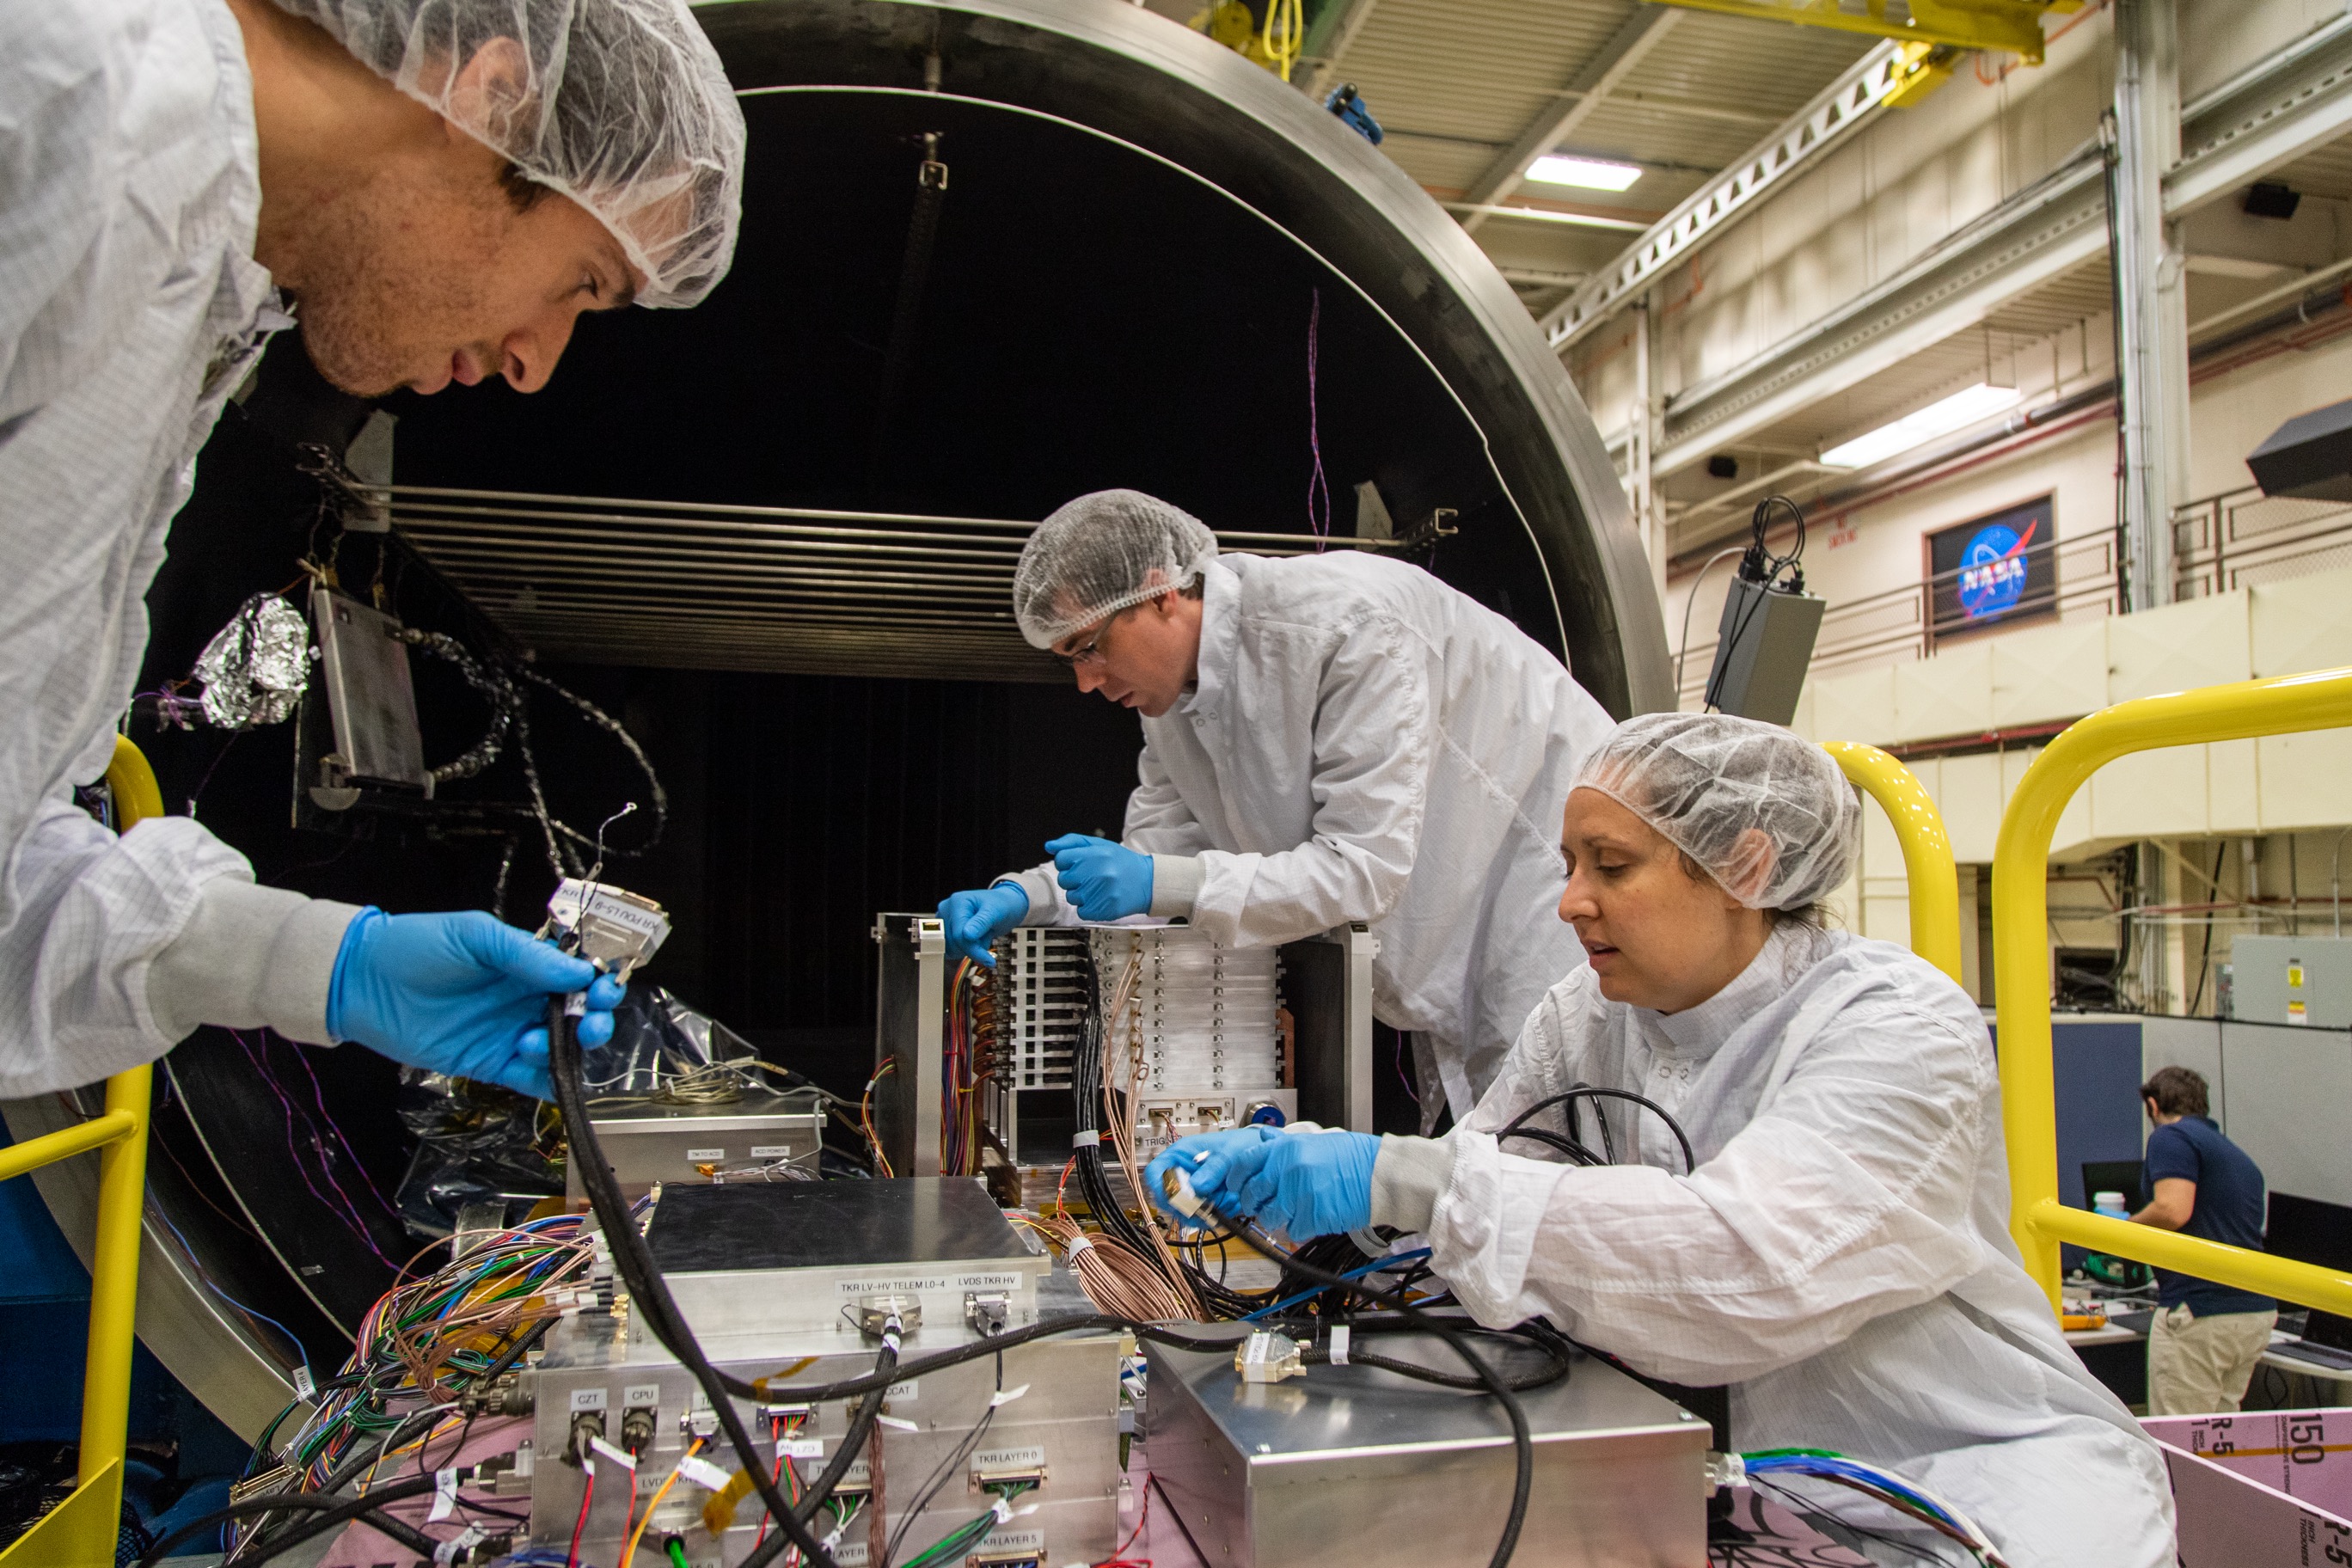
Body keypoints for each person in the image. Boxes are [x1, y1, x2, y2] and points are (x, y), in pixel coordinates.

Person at [1145, 714, 2176, 1566]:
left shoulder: (1895, 1026)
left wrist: (1403, 1181)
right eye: (1569, 863)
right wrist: (1333, 1183)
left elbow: (1752, 1269)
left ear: (1745, 863)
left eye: (1612, 864)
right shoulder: (1591, 1013)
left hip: (1977, 1487)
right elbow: (1497, 1175)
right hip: (1748, 1497)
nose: (1570, 900)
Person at [0, 0, 744, 1099]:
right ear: (490, 99)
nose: (537, 361)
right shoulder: (59, 87)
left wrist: (312, 962)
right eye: (584, 281)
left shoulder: (199, 295)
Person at [935, 489, 1616, 1125]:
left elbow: (1361, 869)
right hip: (1454, 925)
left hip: (1544, 897)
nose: (1086, 681)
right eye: (1068, 661)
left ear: (1160, 590)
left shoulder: (1347, 626)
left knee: (1556, 1154)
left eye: (1090, 647)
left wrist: (1158, 880)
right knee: (1497, 1162)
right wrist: (1032, 896)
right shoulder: (1172, 703)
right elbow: (1149, 865)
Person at [2131, 1065, 2276, 1416]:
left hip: (2199, 1310)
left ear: (2153, 1105)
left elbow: (2172, 1210)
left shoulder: (2170, 1137)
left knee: (2180, 1445)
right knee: (2220, 1442)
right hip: (2252, 1312)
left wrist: (2120, 1230)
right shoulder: (2239, 1158)